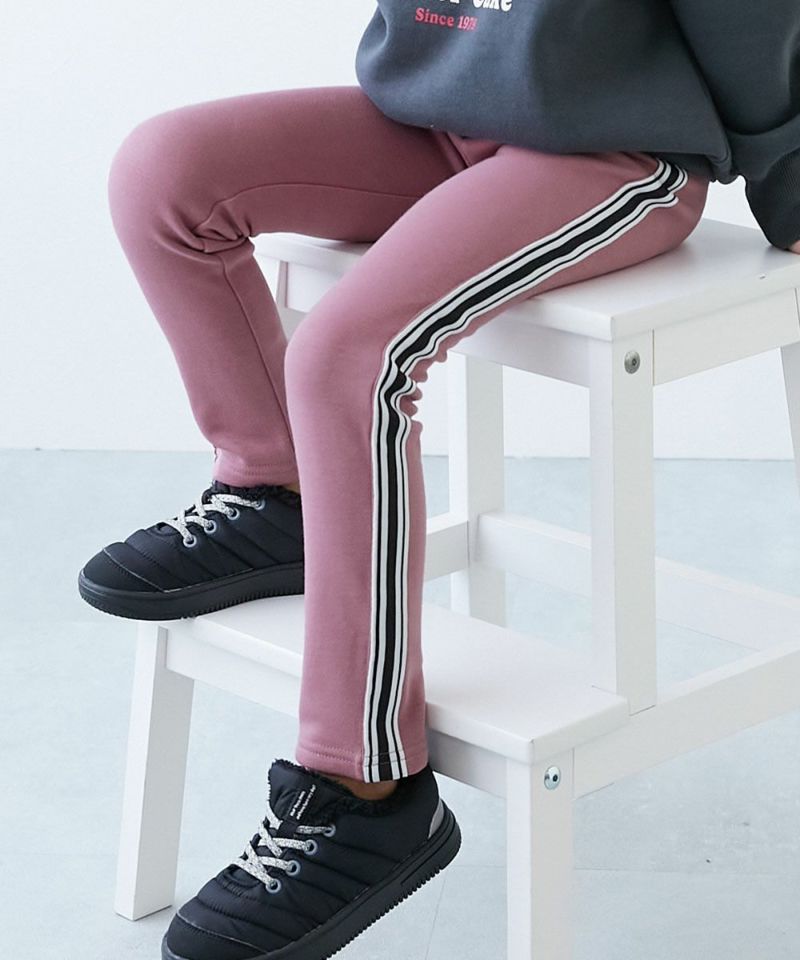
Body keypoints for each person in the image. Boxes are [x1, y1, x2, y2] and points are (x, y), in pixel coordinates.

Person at [79, 2, 800, 958]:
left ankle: (365, 788)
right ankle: (278, 491)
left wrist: (789, 181)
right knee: (161, 174)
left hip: (614, 152)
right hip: (435, 121)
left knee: (349, 357)